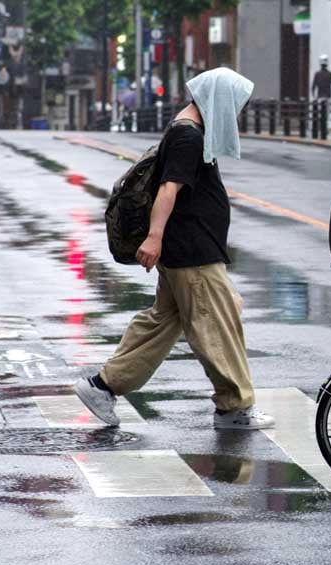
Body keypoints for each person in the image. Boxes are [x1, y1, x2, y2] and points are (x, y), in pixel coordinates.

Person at [74, 67, 275, 430]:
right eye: (236, 104)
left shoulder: (186, 127)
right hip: (192, 251)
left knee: (160, 324)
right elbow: (168, 190)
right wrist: (154, 237)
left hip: (185, 249)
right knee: (215, 326)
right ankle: (234, 407)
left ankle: (102, 386)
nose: (237, 112)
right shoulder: (188, 136)